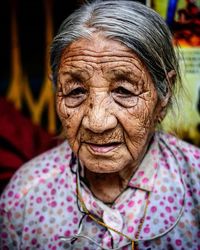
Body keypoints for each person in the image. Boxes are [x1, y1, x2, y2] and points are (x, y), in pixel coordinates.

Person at [0, 1, 199, 249]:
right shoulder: (25, 196)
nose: (97, 123)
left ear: (163, 94)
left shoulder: (195, 184)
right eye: (76, 91)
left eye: (124, 91)